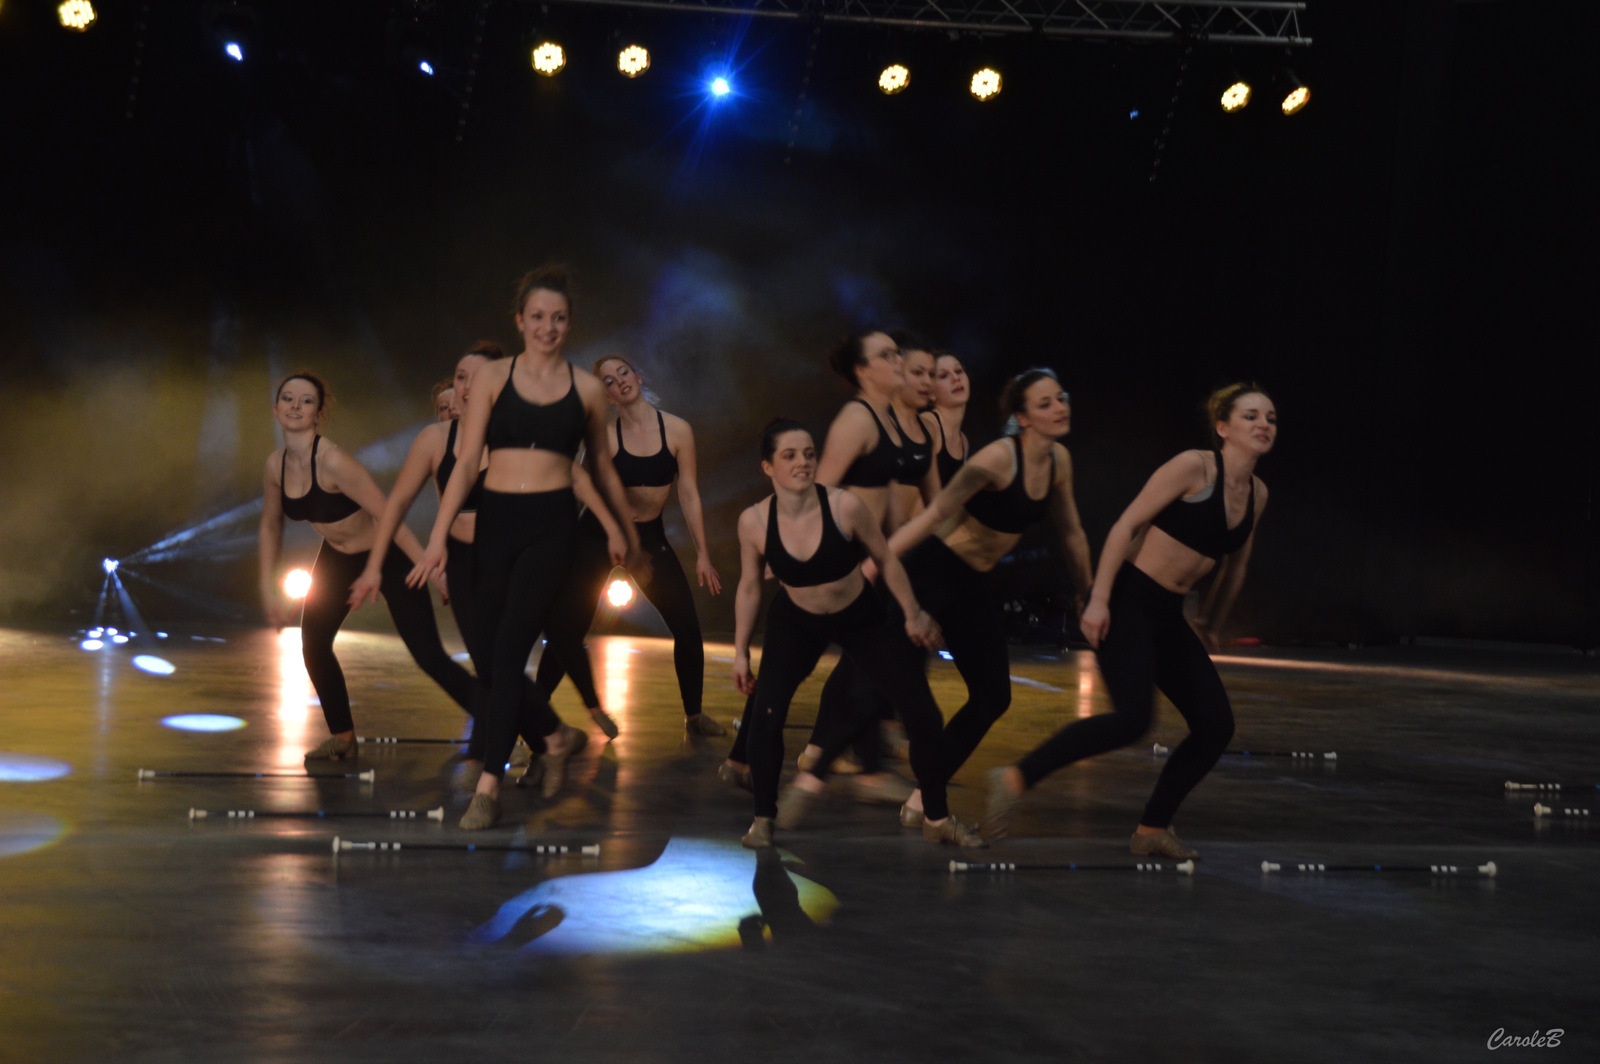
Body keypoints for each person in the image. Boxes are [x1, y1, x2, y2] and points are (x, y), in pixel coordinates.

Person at [985, 383, 1275, 859]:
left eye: (1270, 418)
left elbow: (1235, 566)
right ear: (1223, 427)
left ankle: (1152, 828)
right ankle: (1015, 777)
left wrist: (1211, 621)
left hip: (1169, 613)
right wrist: (1098, 600)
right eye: (1251, 416)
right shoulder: (1194, 467)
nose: (1263, 424)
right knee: (1132, 719)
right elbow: (1126, 526)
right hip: (1129, 600)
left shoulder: (1257, 494)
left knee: (1215, 725)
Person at [409, 266, 642, 830]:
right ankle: (555, 738)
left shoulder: (587, 390)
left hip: (550, 528)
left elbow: (599, 468)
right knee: (491, 656)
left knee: (511, 648)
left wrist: (622, 530)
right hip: (497, 523)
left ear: (569, 324)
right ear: (520, 321)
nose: (547, 327)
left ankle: (489, 786)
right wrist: (437, 537)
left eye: (558, 318)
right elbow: (467, 462)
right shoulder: (493, 377)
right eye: (537, 316)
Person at [349, 344, 624, 779]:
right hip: (461, 559)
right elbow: (397, 502)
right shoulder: (435, 440)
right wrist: (375, 565)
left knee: (508, 657)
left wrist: (611, 527)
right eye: (461, 377)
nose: (466, 387)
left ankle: (547, 739)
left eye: (477, 378)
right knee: (488, 663)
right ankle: (552, 735)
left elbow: (574, 477)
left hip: (509, 555)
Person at [731, 419, 982, 849]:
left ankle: (937, 817)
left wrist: (912, 614)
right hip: (795, 622)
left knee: (922, 713)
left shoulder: (844, 506)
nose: (803, 462)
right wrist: (740, 652)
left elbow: (886, 559)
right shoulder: (753, 522)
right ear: (768, 467)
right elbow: (750, 586)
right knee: (766, 717)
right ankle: (763, 820)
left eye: (809, 454)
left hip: (859, 617)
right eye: (789, 456)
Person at [885, 367, 1094, 827]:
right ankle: (805, 764)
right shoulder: (998, 458)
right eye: (1045, 403)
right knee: (877, 684)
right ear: (1023, 417)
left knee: (993, 695)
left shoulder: (1059, 461)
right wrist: (877, 560)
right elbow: (935, 513)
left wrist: (1089, 594)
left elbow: (1072, 533)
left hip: (973, 583)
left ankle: (923, 796)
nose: (1060, 408)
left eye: (1061, 397)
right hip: (931, 569)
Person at [257, 371, 482, 760]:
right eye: (288, 399)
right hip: (336, 557)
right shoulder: (274, 466)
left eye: (306, 401)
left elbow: (390, 516)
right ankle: (343, 737)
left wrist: (433, 572)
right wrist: (266, 586)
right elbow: (270, 523)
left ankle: (502, 721)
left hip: (387, 555)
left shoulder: (334, 462)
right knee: (314, 644)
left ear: (319, 414)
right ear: (276, 409)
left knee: (429, 656)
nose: (295, 407)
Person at [532, 355, 726, 737]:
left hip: (650, 537)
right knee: (570, 627)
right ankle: (534, 714)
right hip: (599, 535)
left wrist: (703, 553)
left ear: (637, 376)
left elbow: (688, 493)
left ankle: (695, 716)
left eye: (623, 372)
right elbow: (579, 488)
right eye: (608, 380)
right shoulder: (604, 437)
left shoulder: (678, 430)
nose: (618, 381)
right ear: (606, 395)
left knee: (687, 625)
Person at [930, 350, 972, 488]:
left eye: (958, 371)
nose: (956, 378)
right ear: (931, 393)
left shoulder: (963, 441)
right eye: (943, 376)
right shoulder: (930, 424)